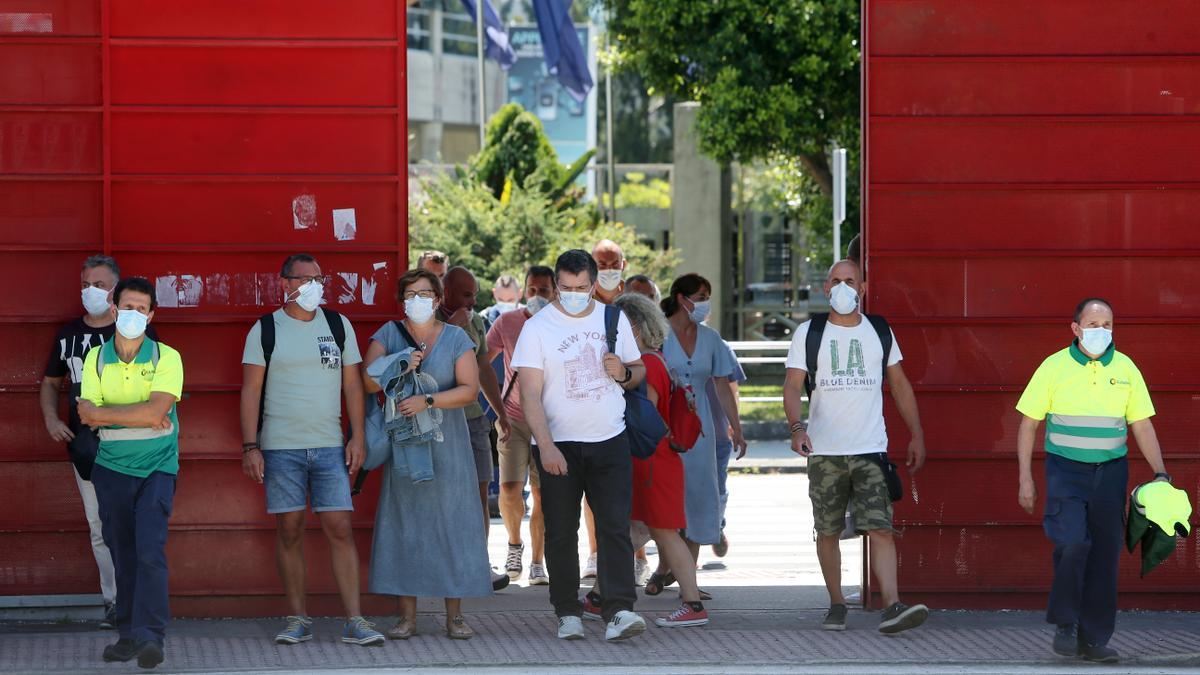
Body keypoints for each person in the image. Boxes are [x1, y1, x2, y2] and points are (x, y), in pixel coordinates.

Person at [239, 254, 382, 647]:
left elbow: (353, 385)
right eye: (304, 279)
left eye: (318, 278)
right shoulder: (265, 329)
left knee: (339, 527)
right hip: (280, 448)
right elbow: (250, 390)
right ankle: (297, 618)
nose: (313, 286)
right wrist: (250, 445)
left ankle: (355, 620)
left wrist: (357, 437)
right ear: (284, 284)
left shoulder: (338, 324)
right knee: (290, 529)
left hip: (330, 446)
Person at [1015, 298, 1169, 663]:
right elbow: (1028, 424)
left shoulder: (1127, 368)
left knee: (1104, 555)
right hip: (1065, 470)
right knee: (1072, 543)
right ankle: (1065, 622)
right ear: (1075, 328)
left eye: (1107, 324)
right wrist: (1025, 478)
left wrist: (1161, 473)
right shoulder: (1054, 366)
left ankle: (1094, 639)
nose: (1101, 331)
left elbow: (1142, 424)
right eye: (1094, 324)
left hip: (1111, 473)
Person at [782, 259, 928, 634]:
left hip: (870, 448)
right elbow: (793, 385)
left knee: (880, 528)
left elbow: (899, 385)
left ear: (862, 288)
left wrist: (916, 433)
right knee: (828, 531)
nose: (844, 287)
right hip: (825, 451)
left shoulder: (878, 330)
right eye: (836, 281)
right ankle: (836, 603)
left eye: (851, 281)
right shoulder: (809, 332)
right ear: (825, 288)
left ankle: (892, 606)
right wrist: (797, 427)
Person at [512, 249, 648, 642]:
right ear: (556, 285)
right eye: (567, 288)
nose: (575, 294)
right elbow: (530, 394)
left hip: (610, 439)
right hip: (560, 445)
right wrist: (547, 446)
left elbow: (637, 370)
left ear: (593, 284)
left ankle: (619, 609)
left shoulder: (612, 317)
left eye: (583, 288)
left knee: (614, 528)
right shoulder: (538, 328)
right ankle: (567, 611)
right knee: (560, 531)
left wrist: (622, 372)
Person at [363, 269, 492, 640]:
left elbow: (469, 390)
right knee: (407, 527)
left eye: (425, 294)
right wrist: (399, 361)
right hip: (405, 448)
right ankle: (407, 617)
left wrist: (429, 399)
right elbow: (365, 379)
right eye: (410, 294)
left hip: (449, 447)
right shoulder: (388, 334)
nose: (417, 300)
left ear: (438, 299)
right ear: (401, 300)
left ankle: (455, 616)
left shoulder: (456, 338)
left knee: (454, 525)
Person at [40, 255, 157, 630]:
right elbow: (50, 383)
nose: (91, 291)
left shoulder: (136, 334)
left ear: (116, 291)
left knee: (137, 524)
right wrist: (51, 418)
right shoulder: (67, 335)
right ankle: (114, 601)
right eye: (86, 284)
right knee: (100, 525)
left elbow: (160, 393)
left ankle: (140, 601)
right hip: (86, 448)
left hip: (132, 446)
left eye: (100, 285)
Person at [77, 277, 182, 669]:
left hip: (157, 469)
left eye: (142, 309)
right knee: (123, 554)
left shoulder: (166, 357)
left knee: (150, 552)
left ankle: (151, 637)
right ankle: (127, 635)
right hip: (111, 471)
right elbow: (85, 415)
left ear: (151, 314)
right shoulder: (95, 358)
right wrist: (136, 413)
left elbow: (155, 412)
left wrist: (108, 415)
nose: (134, 315)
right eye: (128, 308)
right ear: (114, 311)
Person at [612, 292, 709, 627]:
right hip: (655, 460)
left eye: (620, 326)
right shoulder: (655, 359)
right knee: (627, 533)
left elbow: (647, 415)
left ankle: (693, 605)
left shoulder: (648, 364)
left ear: (635, 326)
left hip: (651, 460)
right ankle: (598, 597)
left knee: (665, 534)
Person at [655, 274, 746, 593]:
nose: (706, 302)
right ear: (682, 298)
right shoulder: (658, 334)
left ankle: (686, 584)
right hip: (663, 433)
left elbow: (723, 383)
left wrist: (736, 427)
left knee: (696, 503)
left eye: (709, 295)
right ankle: (668, 571)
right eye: (701, 295)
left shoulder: (711, 338)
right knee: (667, 506)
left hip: (701, 434)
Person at [440, 266, 510, 591]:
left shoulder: (477, 322)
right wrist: (449, 330)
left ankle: (479, 563)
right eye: (465, 294)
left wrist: (501, 415)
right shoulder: (430, 322)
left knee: (480, 492)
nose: (472, 300)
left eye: (474, 294)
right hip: (439, 419)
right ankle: (444, 563)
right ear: (446, 293)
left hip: (473, 420)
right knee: (442, 495)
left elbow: (484, 369)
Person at [486, 266, 556, 585]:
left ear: (555, 291)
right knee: (510, 489)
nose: (537, 295)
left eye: (544, 289)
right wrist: (495, 407)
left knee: (543, 495)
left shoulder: (562, 324)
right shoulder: (507, 322)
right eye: (532, 289)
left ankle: (538, 562)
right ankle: (515, 544)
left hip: (549, 420)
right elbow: (482, 361)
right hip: (513, 417)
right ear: (523, 291)